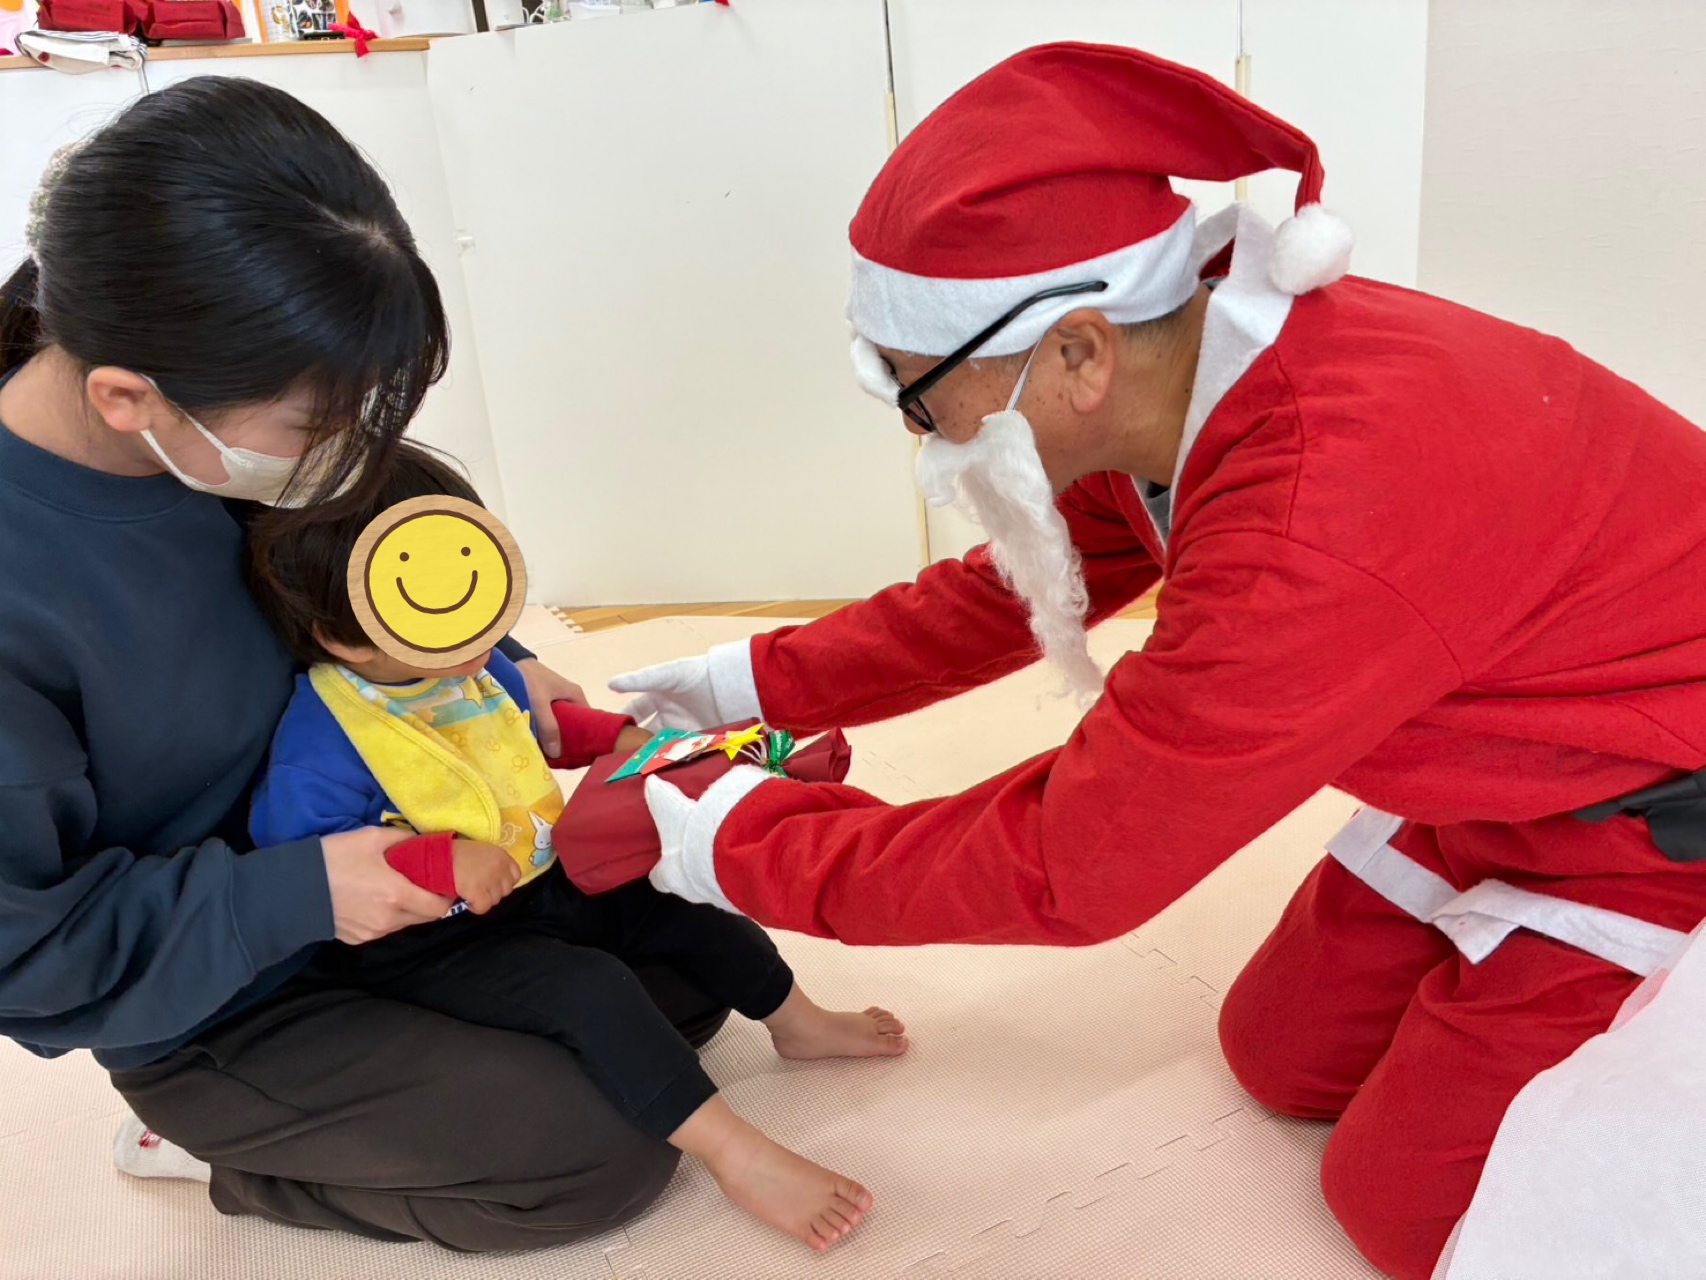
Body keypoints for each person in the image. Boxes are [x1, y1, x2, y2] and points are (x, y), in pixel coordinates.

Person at [608, 43, 1706, 1280]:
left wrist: (734, 840)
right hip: (1484, 759)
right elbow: (1017, 586)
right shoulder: (1188, 368)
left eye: (918, 395)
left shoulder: (1316, 514)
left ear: (1077, 352)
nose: (920, 434)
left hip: (1644, 810)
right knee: (1276, 1057)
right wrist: (743, 682)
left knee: (1404, 1212)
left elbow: (1073, 861)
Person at [0, 75, 743, 1252]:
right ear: (129, 397)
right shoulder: (28, 583)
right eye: (317, 424)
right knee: (595, 1158)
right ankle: (215, 1149)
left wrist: (497, 665)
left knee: (693, 981)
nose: (351, 456)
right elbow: (28, 956)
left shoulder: (223, 433)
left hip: (416, 873)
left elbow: (369, 574)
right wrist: (302, 893)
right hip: (223, 987)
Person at [241, 440, 905, 1251]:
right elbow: (310, 858)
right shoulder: (325, 738)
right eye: (445, 608)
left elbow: (546, 725)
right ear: (346, 640)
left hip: (538, 882)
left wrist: (626, 739)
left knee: (677, 897)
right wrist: (440, 861)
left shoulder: (470, 664)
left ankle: (798, 1020)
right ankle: (735, 1153)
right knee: (589, 989)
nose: (488, 631)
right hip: (431, 942)